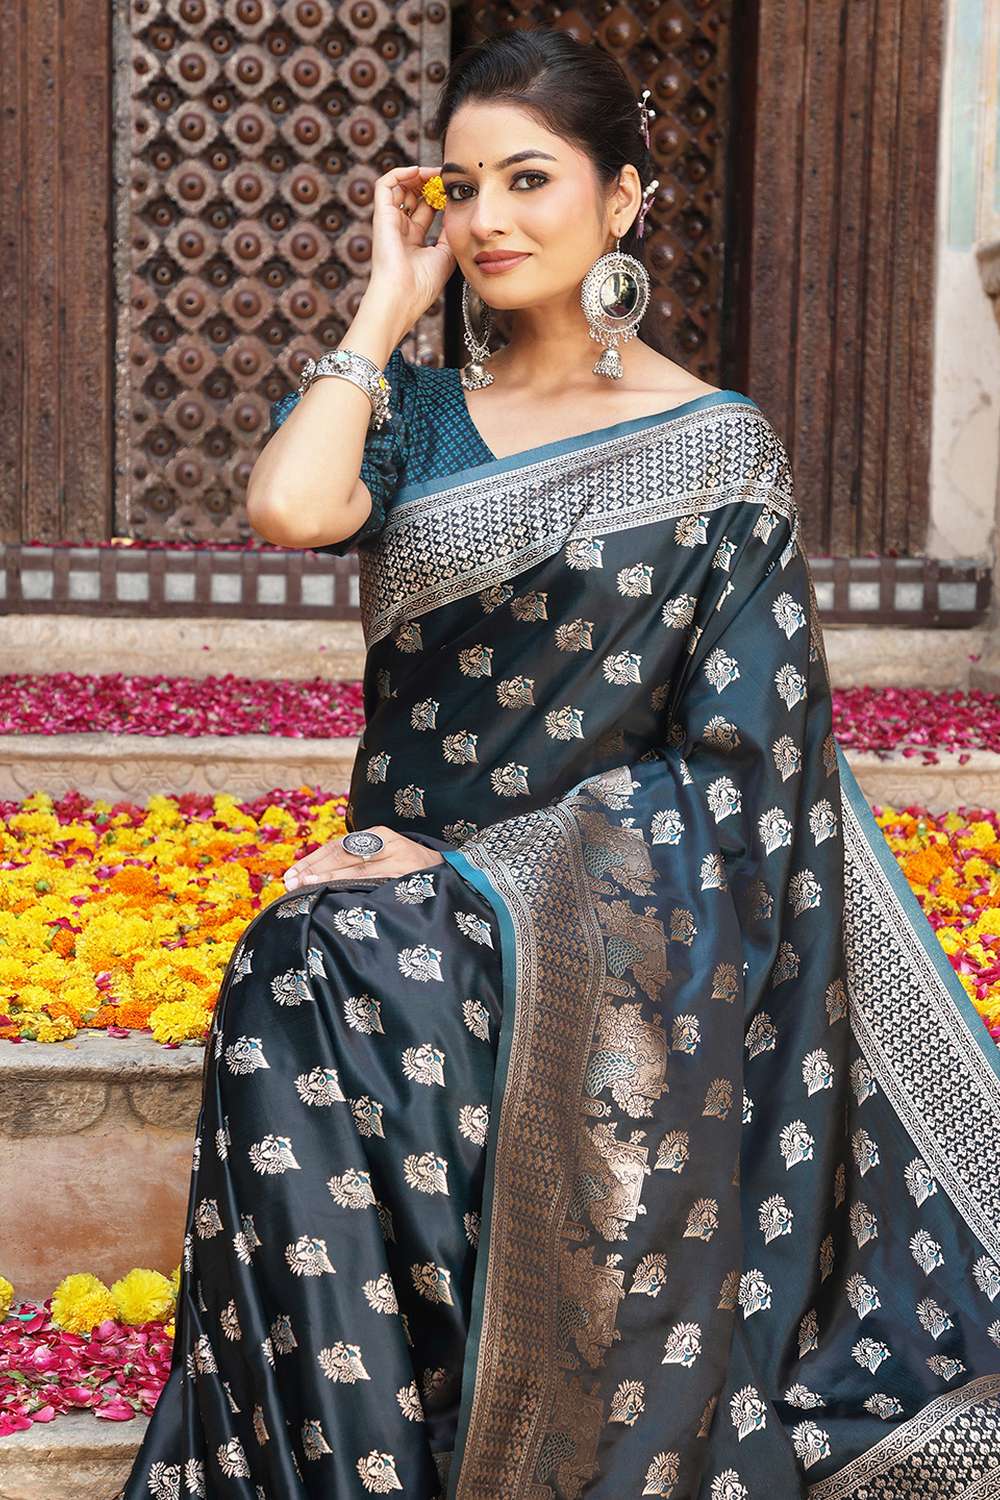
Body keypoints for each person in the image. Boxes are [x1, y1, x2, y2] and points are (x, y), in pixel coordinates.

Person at [115, 27, 1000, 1500]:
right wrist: (386, 301)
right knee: (300, 956)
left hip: (615, 953)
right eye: (460, 188)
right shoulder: (414, 418)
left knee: (317, 957)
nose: (490, 219)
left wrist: (482, 873)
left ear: (624, 199)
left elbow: (744, 782)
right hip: (392, 921)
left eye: (530, 179)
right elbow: (289, 508)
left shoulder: (720, 452)